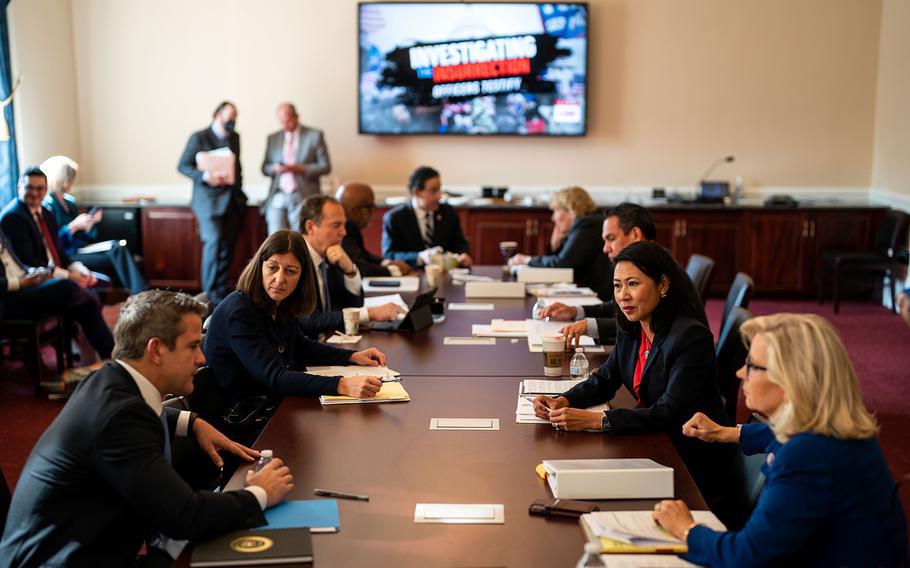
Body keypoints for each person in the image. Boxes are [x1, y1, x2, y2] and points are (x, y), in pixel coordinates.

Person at [0, 290, 294, 567]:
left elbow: (133, 413)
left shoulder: (109, 380)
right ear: (156, 350)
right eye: (192, 346)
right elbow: (186, 515)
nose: (202, 358)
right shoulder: (120, 419)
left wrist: (191, 422)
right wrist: (260, 493)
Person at [652, 313, 908, 567]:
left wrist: (687, 530)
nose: (741, 372)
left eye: (752, 365)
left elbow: (746, 557)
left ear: (791, 379)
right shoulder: (836, 429)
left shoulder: (807, 455)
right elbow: (782, 433)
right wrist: (726, 432)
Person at [533, 241, 742, 526]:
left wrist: (597, 421)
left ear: (663, 285)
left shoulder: (691, 338)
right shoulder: (633, 327)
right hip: (652, 445)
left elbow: (669, 412)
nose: (623, 296)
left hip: (690, 463)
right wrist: (563, 401)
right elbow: (606, 378)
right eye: (618, 286)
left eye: (633, 284)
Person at [204, 229, 391, 411]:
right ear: (259, 266)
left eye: (290, 271)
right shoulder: (239, 312)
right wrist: (342, 385)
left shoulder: (280, 302)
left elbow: (302, 346)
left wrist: (352, 357)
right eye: (272, 268)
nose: (279, 279)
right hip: (245, 418)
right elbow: (275, 377)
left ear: (302, 277)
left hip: (274, 404)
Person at [541, 203, 706, 347]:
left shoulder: (659, 269)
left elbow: (642, 326)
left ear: (635, 234)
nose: (605, 248)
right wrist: (574, 311)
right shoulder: (650, 261)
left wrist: (588, 326)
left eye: (611, 238)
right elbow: (615, 306)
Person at [1, 224, 114, 360]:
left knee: (86, 303)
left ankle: (108, 358)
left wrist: (33, 273)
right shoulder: (13, 217)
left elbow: (16, 264)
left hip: (25, 283)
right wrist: (21, 282)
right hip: (7, 298)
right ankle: (110, 356)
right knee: (67, 286)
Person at [297, 194, 404, 337]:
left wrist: (350, 270)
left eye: (344, 225)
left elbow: (352, 306)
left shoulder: (328, 255)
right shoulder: (294, 262)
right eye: (336, 225)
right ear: (310, 227)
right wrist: (370, 313)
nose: (343, 232)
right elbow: (310, 322)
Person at [40, 155, 148, 294]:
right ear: (60, 179)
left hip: (82, 247)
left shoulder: (70, 202)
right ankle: (140, 293)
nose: (72, 182)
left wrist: (90, 224)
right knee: (116, 250)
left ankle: (138, 292)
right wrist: (73, 226)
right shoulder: (48, 205)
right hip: (68, 254)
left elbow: (88, 237)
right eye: (70, 178)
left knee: (117, 247)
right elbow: (54, 242)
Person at [177, 101, 247, 306]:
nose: (232, 121)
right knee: (214, 243)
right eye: (229, 117)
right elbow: (183, 166)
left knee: (228, 247)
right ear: (217, 114)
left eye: (235, 117)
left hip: (232, 201)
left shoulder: (235, 137)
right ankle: (208, 295)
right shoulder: (199, 137)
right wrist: (206, 176)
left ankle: (220, 291)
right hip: (208, 202)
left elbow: (238, 166)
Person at [0, 167, 110, 291]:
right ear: (20, 187)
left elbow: (60, 252)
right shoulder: (13, 217)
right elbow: (30, 262)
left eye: (40, 188)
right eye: (29, 188)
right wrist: (69, 276)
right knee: (78, 289)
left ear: (46, 190)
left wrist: (80, 271)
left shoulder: (46, 213)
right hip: (39, 276)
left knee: (103, 282)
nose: (35, 193)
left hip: (58, 268)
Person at [508, 186, 611, 300]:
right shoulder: (586, 223)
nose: (553, 218)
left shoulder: (587, 225)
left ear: (570, 209)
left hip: (598, 296)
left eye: (556, 211)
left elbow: (563, 262)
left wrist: (527, 260)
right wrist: (555, 244)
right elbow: (561, 262)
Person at [260, 102, 331, 234]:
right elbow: (264, 168)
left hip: (303, 195)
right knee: (275, 240)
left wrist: (300, 168)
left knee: (300, 238)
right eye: (281, 121)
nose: (284, 125)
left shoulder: (314, 135)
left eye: (287, 121)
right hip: (278, 195)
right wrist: (274, 168)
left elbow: (325, 167)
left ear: (296, 117)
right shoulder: (273, 138)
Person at [382, 166, 472, 268]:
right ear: (416, 192)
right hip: (412, 274)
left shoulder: (448, 212)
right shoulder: (395, 218)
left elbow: (460, 244)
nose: (439, 196)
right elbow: (390, 255)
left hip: (446, 274)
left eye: (439, 190)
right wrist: (419, 256)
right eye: (433, 191)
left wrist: (463, 254)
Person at [336, 181, 412, 277]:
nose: (372, 212)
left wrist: (387, 263)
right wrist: (392, 271)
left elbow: (363, 255)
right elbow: (360, 267)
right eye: (371, 207)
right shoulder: (345, 229)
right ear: (355, 211)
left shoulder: (350, 227)